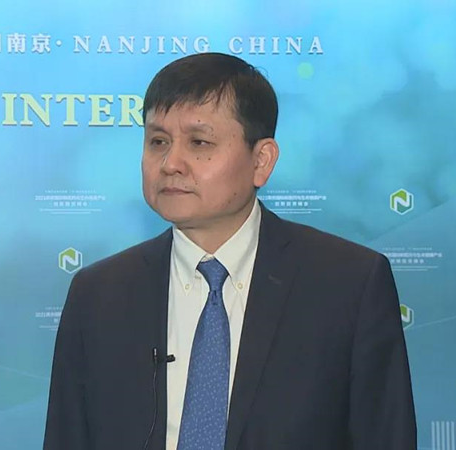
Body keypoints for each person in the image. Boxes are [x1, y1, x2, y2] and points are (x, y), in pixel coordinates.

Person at [44, 52, 416, 449]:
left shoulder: (348, 284)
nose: (171, 163)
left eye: (199, 142)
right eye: (158, 142)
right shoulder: (99, 294)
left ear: (261, 161)